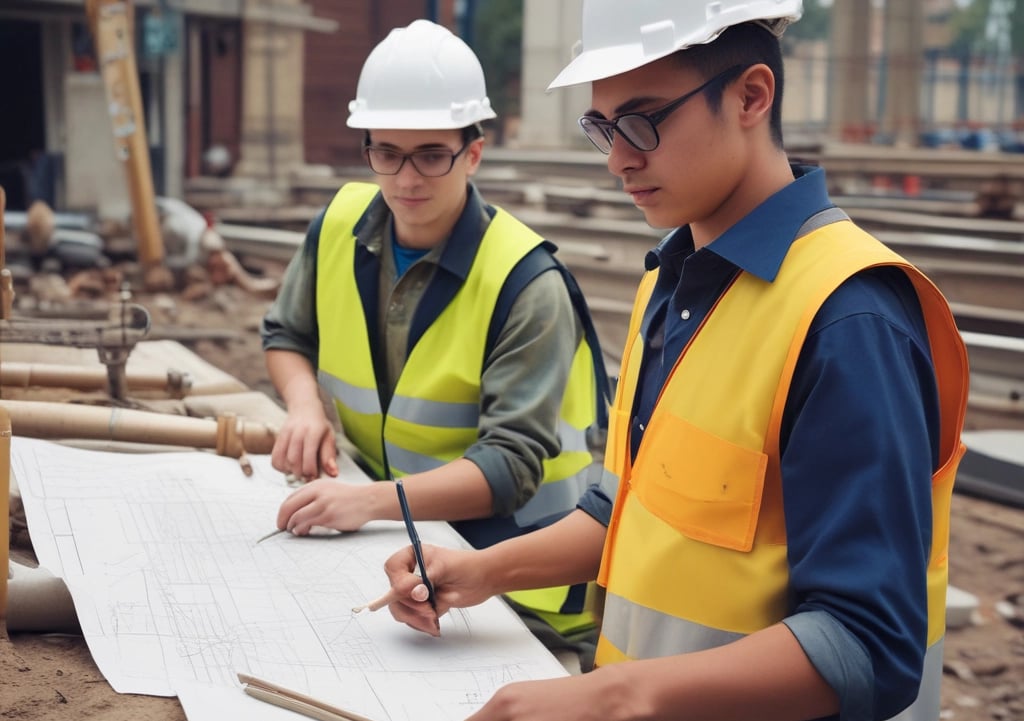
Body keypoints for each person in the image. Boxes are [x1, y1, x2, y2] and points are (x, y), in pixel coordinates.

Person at [381, 2, 970, 720]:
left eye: (643, 120)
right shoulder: (670, 282)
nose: (619, 159)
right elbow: (632, 508)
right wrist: (479, 570)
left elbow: (869, 642)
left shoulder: (847, 321)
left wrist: (611, 698)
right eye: (603, 128)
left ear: (751, 96)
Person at [259, 19, 609, 653]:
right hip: (408, 552)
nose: (406, 179)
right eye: (387, 153)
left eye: (430, 154)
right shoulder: (337, 226)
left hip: (523, 587)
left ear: (473, 153)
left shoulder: (525, 283)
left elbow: (510, 467)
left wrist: (368, 502)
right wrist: (305, 407)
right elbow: (286, 332)